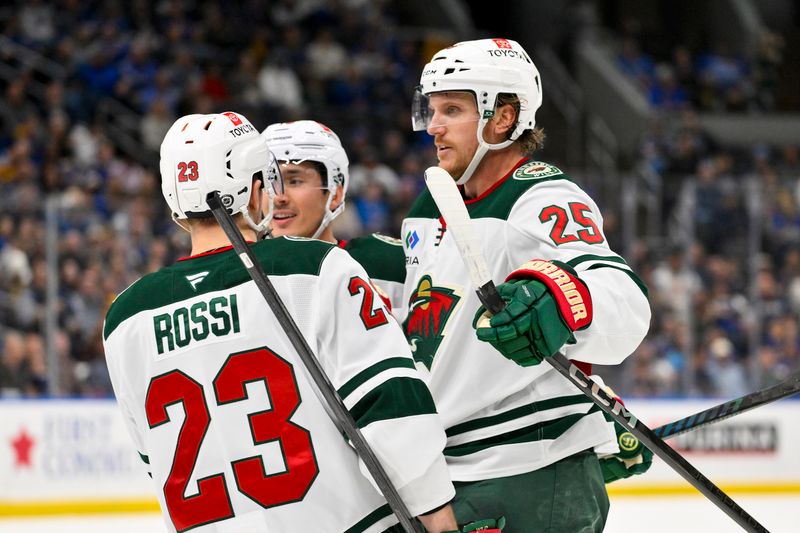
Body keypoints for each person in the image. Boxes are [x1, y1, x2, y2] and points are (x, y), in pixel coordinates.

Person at [102, 111, 464, 533]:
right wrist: (440, 519)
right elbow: (390, 408)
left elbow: (155, 460)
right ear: (255, 188)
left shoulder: (124, 317)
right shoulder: (313, 267)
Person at [403, 38, 652, 531]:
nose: (434, 126)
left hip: (528, 474)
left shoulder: (540, 194)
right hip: (446, 476)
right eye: (431, 110)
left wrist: (557, 298)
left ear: (502, 118)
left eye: (452, 109)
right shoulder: (429, 206)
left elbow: (623, 300)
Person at [262, 120, 406, 316]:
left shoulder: (390, 264)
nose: (278, 197)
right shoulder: (241, 276)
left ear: (334, 195)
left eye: (294, 181)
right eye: (268, 183)